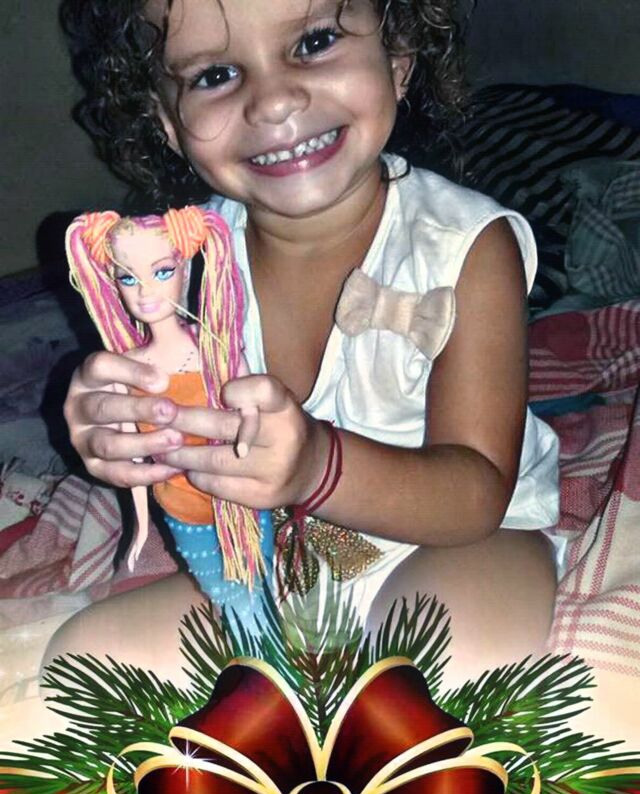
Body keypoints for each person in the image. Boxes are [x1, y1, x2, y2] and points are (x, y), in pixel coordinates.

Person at [51, 0, 560, 685]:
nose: (273, 100)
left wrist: (318, 467)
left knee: (446, 654)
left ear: (398, 58)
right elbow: (167, 419)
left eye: (315, 42)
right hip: (274, 565)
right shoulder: (182, 264)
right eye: (214, 75)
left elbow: (476, 494)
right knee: (83, 663)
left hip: (460, 543)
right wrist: (114, 429)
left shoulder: (466, 247)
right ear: (167, 121)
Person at [64, 207, 273, 623]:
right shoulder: (126, 369)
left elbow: (250, 410)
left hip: (241, 505)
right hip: (179, 509)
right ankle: (248, 651)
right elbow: (133, 460)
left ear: (187, 271)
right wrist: (140, 526)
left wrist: (247, 438)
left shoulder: (216, 351)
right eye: (127, 278)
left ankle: (268, 653)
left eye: (161, 271)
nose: (144, 292)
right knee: (223, 597)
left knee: (258, 589)